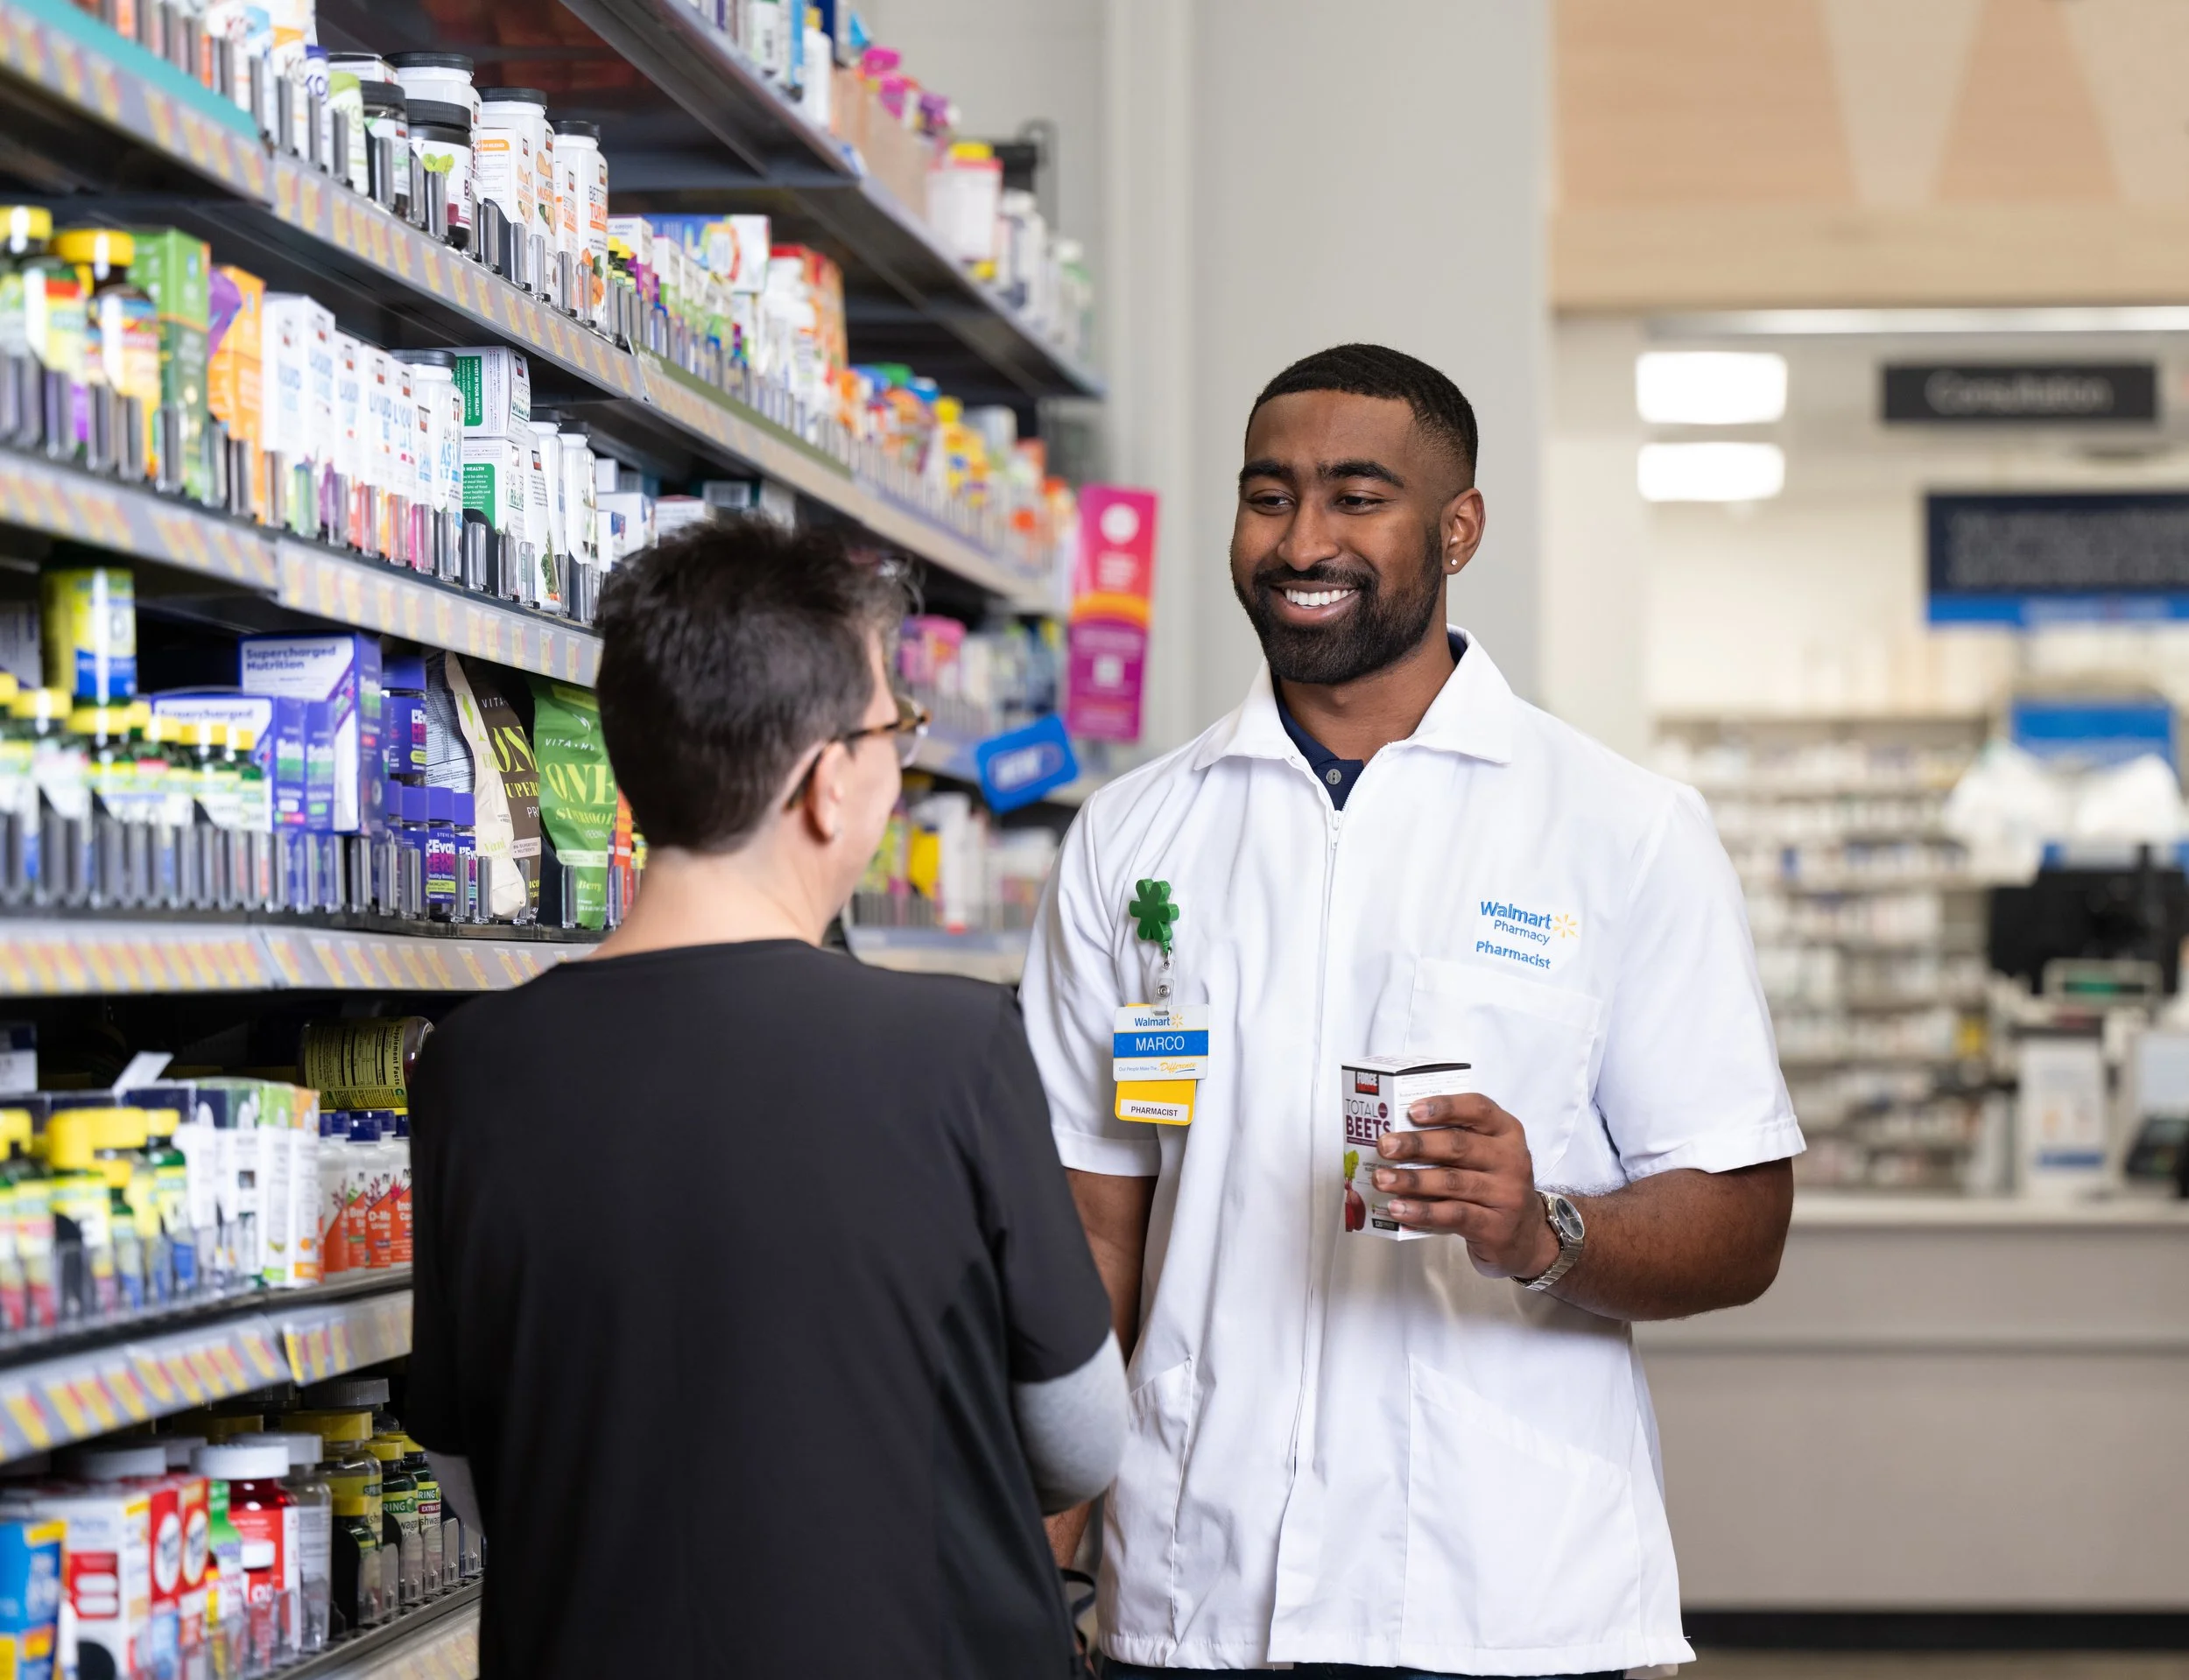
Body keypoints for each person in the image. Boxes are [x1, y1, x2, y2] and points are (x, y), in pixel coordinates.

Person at [1022, 343, 1803, 1678]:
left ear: (1458, 529)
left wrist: (1540, 1226)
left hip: (1504, 1598)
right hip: (1197, 1593)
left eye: (1356, 496)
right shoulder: (1135, 838)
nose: (1302, 538)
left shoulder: (1619, 832)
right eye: (1269, 496)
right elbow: (1100, 1233)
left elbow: (1743, 1221)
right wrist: (1042, 1549)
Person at [406, 520, 1125, 1679]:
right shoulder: (950, 1048)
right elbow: (1083, 1436)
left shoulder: (471, 1067)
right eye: (898, 728)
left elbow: (471, 1467)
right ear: (829, 783)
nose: (900, 759)